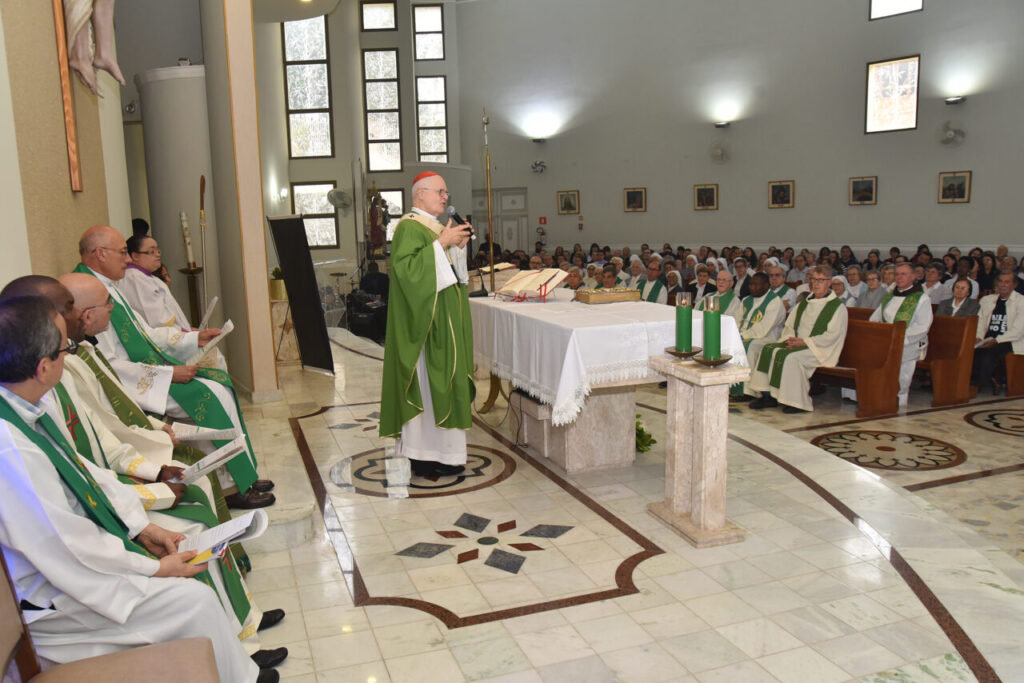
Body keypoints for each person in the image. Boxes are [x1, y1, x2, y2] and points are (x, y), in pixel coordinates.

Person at [0, 297, 271, 683]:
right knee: (193, 602)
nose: (70, 355)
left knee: (192, 595)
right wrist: (153, 568)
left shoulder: (25, 407)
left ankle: (237, 673)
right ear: (44, 368)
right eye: (64, 349)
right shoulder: (10, 447)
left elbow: (84, 473)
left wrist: (144, 529)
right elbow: (66, 543)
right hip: (53, 602)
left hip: (75, 570)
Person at [74, 226, 272, 509]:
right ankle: (229, 488)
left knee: (220, 387)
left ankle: (242, 477)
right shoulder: (88, 294)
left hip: (146, 374)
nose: (126, 259)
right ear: (100, 253)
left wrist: (194, 338)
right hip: (132, 386)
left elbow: (146, 335)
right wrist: (168, 375)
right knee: (212, 397)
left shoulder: (108, 288)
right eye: (121, 253)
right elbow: (106, 365)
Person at [379, 171, 474, 478]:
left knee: (446, 383)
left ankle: (446, 454)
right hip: (426, 324)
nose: (446, 197)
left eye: (447, 192)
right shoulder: (409, 226)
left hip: (445, 319)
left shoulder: (433, 226)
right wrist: (441, 243)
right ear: (420, 194)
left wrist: (456, 247)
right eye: (440, 192)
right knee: (427, 384)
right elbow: (405, 271)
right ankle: (421, 455)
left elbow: (455, 275)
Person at [748, 266, 848, 413]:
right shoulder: (804, 303)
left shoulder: (837, 307)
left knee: (791, 358)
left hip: (820, 349)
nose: (816, 283)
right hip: (798, 342)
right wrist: (790, 339)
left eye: (821, 280)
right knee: (768, 349)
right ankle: (767, 395)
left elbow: (832, 335)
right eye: (814, 279)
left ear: (829, 282)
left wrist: (804, 342)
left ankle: (796, 402)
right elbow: (790, 326)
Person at [870, 263, 934, 408]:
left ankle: (900, 398)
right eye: (897, 274)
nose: (899, 277)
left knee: (901, 370)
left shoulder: (921, 299)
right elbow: (875, 318)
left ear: (913, 276)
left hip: (909, 342)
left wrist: (899, 337)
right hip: (887, 341)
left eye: (903, 274)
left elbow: (923, 326)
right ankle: (880, 395)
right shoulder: (890, 296)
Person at [972, 271, 1024, 395]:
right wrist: (978, 337)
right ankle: (970, 381)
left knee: (988, 353)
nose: (1003, 284)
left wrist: (996, 340)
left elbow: (1018, 331)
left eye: (1007, 282)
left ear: (1014, 285)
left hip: (1010, 340)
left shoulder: (1021, 302)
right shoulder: (987, 300)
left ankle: (977, 384)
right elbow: (980, 321)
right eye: (1000, 281)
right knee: (968, 350)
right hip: (987, 338)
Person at [737, 273, 786, 400]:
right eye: (751, 284)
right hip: (745, 335)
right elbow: (737, 321)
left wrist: (742, 336)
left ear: (766, 285)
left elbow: (764, 328)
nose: (752, 288)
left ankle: (748, 391)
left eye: (756, 285)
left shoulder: (774, 302)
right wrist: (736, 334)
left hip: (767, 337)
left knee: (751, 346)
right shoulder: (746, 300)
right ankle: (734, 387)